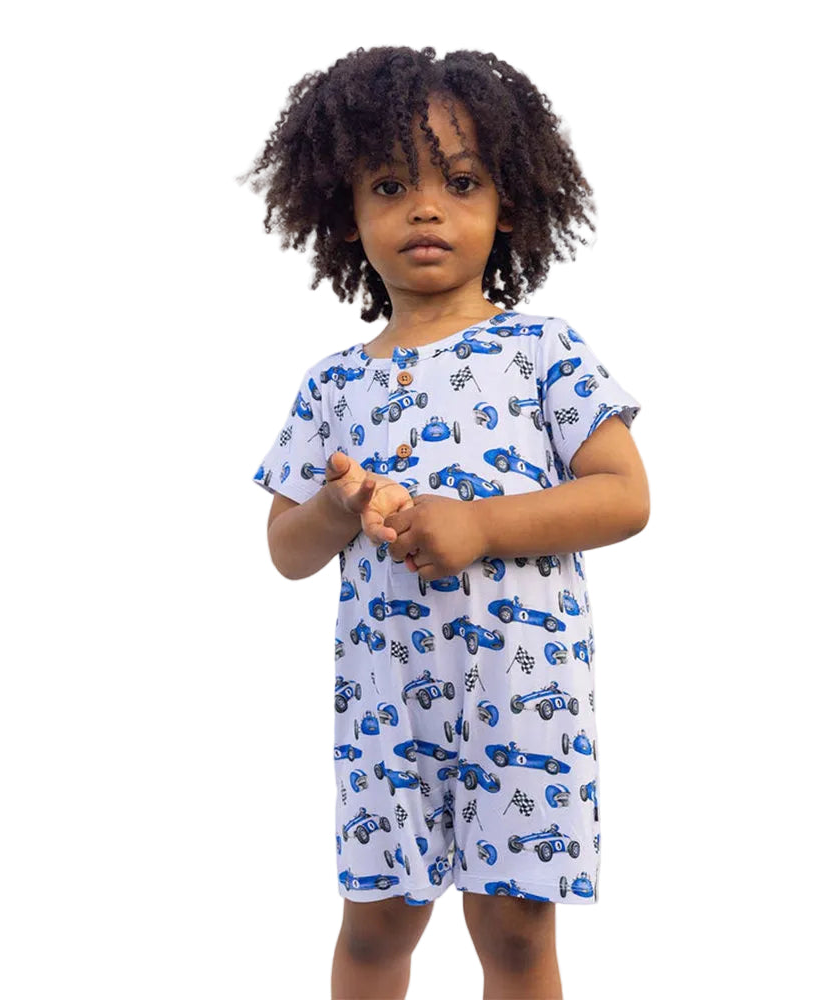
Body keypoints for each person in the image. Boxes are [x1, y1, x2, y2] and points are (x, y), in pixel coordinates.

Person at [239, 45, 650, 1000]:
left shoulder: (545, 350)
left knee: (512, 933)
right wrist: (339, 506)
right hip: (385, 712)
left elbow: (625, 494)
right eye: (390, 184)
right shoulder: (335, 385)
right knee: (377, 928)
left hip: (522, 693)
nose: (426, 208)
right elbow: (283, 551)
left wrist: (482, 527)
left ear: (508, 205)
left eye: (460, 182)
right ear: (347, 217)